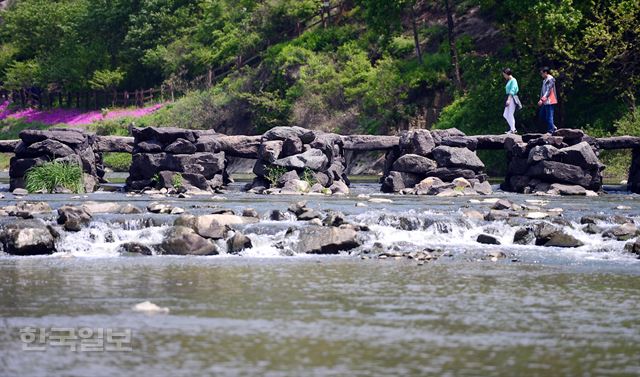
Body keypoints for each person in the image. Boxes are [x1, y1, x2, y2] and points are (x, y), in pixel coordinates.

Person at [538, 66, 558, 134]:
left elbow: (548, 91)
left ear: (545, 72)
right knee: (542, 115)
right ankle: (553, 127)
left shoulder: (550, 79)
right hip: (545, 101)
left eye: (542, 73)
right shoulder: (545, 80)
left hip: (550, 101)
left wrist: (542, 100)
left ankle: (551, 130)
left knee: (549, 116)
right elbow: (543, 91)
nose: (541, 75)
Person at [502, 68, 520, 134]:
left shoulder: (513, 80)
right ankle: (512, 129)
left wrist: (509, 99)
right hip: (509, 97)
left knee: (510, 114)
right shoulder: (509, 80)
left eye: (504, 75)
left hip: (512, 98)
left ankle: (513, 130)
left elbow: (512, 90)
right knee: (505, 114)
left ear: (507, 74)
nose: (504, 76)